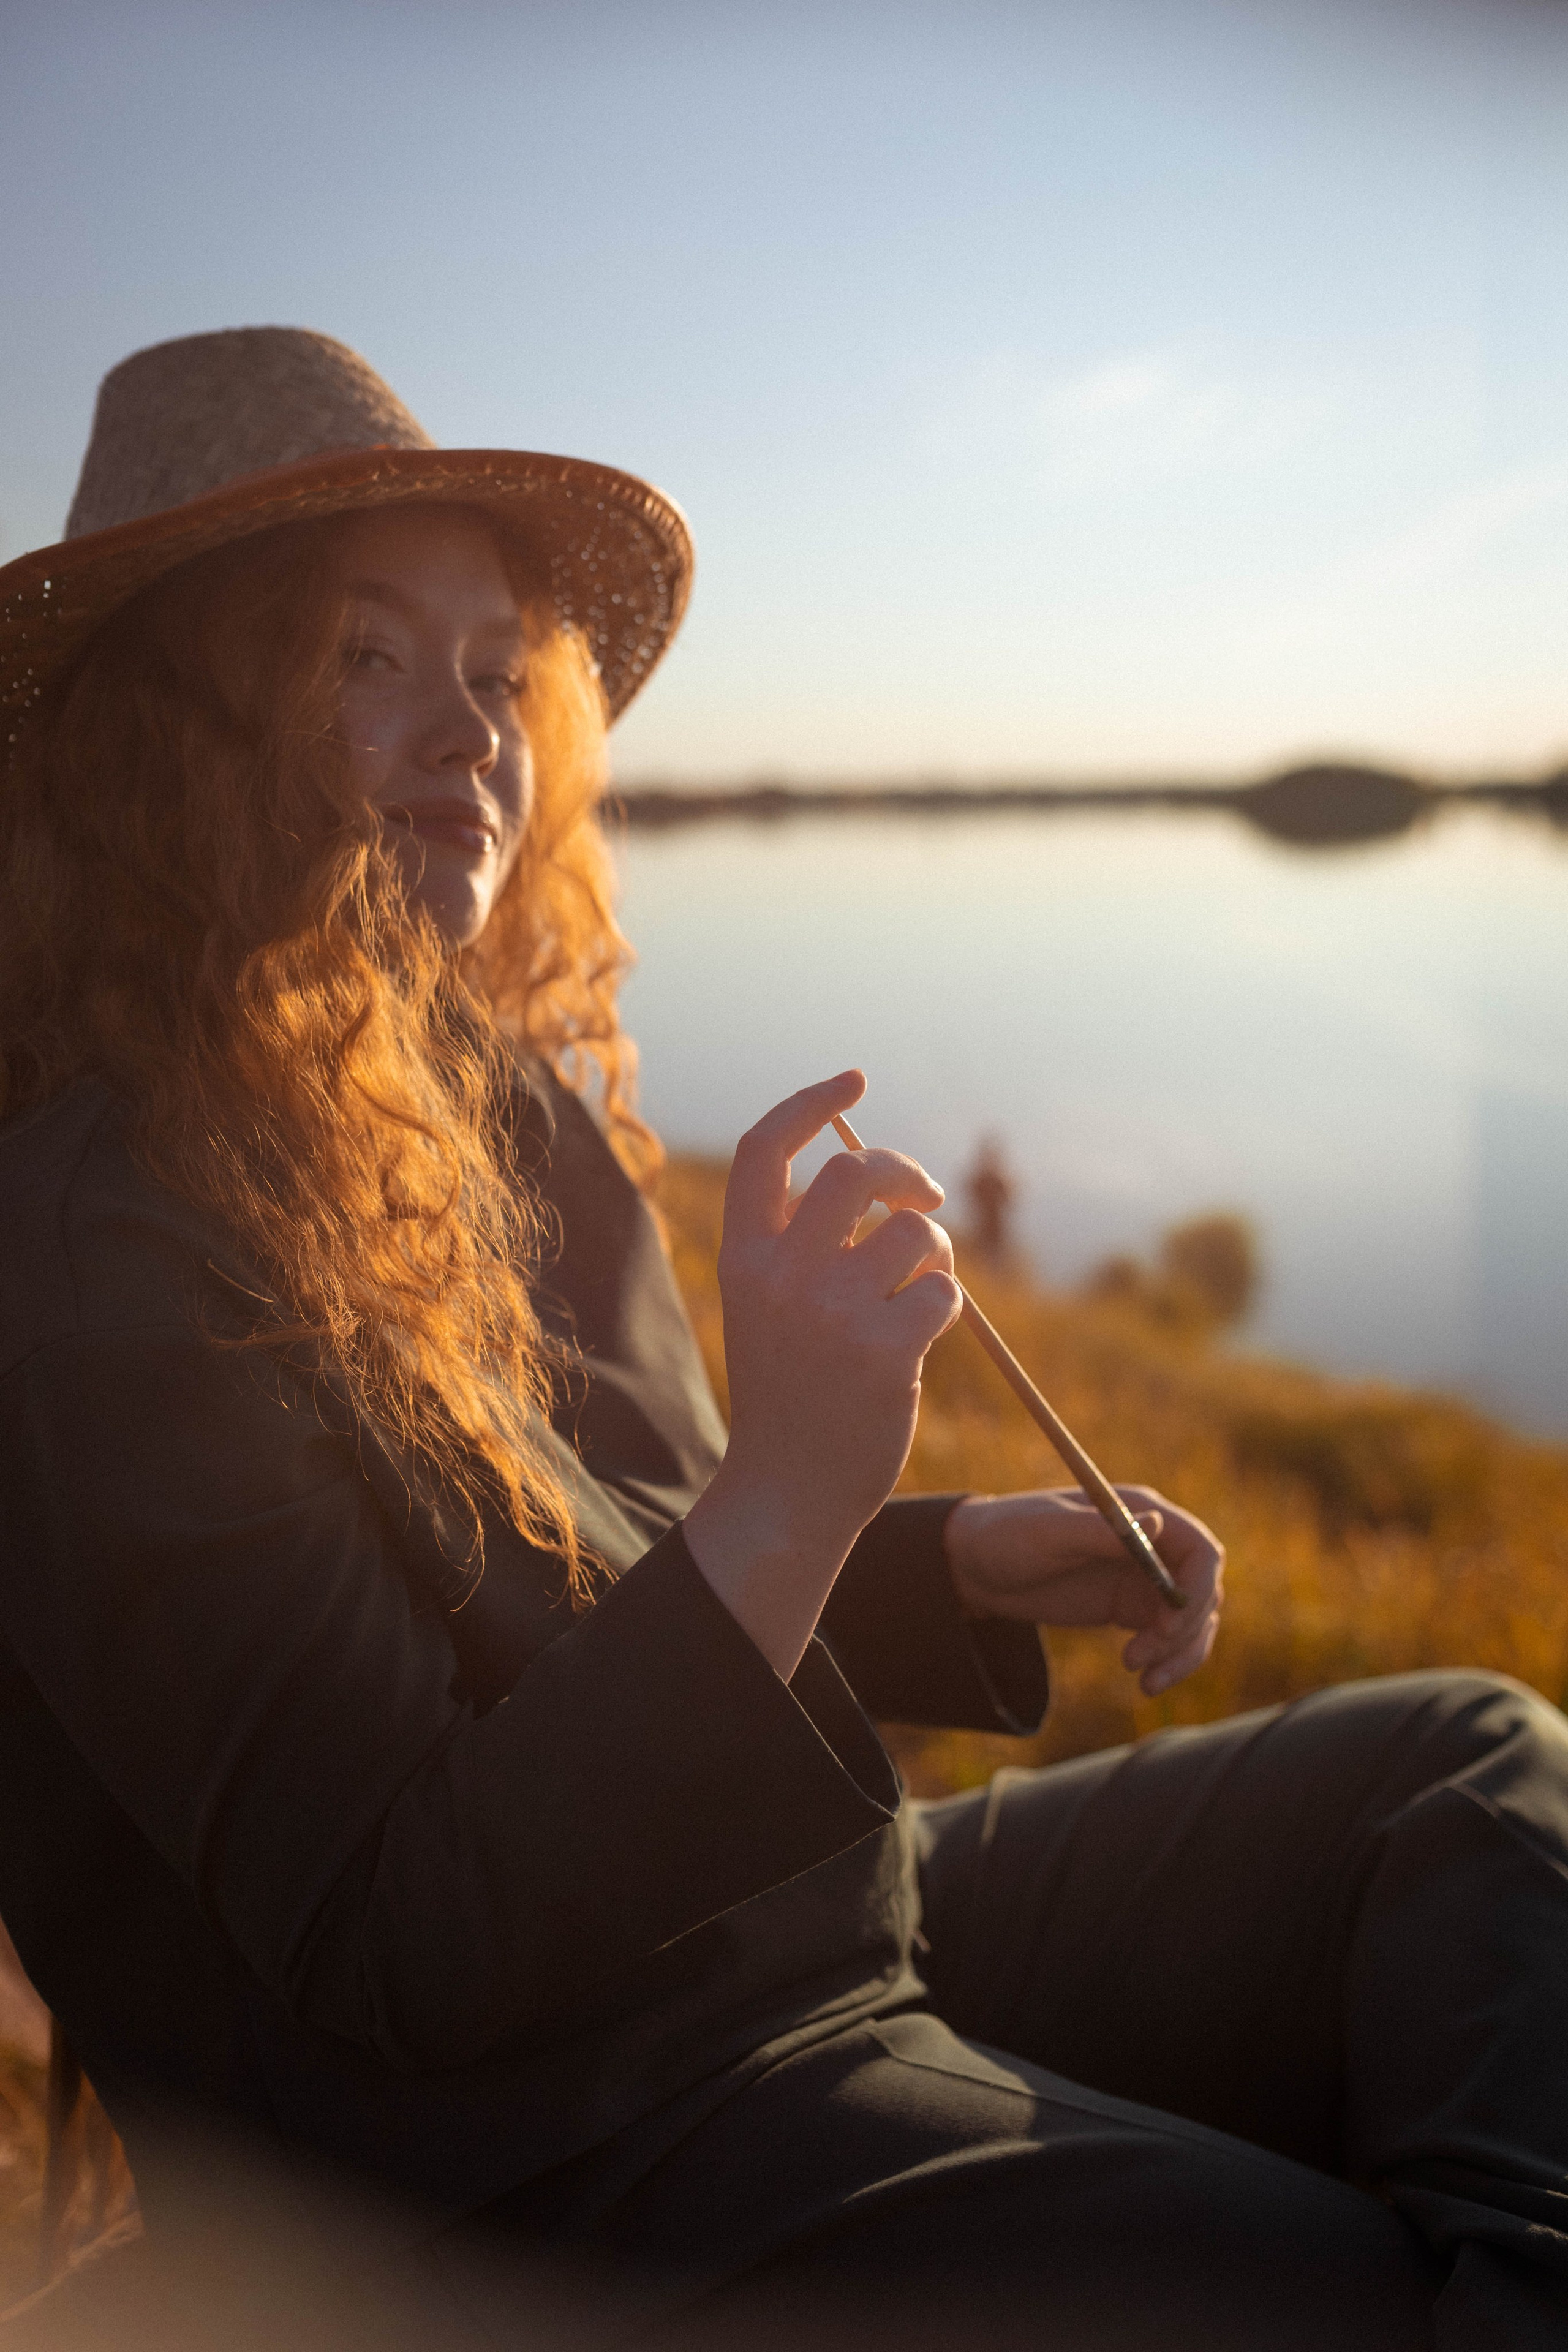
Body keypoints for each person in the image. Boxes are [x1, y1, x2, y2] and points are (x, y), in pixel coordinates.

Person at [2, 331, 1567, 2352]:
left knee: (1459, 1773)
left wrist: (928, 1556)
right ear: (165, 732)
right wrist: (800, 1482)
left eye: (497, 675)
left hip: (783, 1930)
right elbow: (410, 1935)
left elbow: (607, 1582)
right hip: (547, 2148)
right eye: (361, 657)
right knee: (1339, 2288)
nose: (467, 729)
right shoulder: (89, 1243)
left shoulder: (480, 1113)